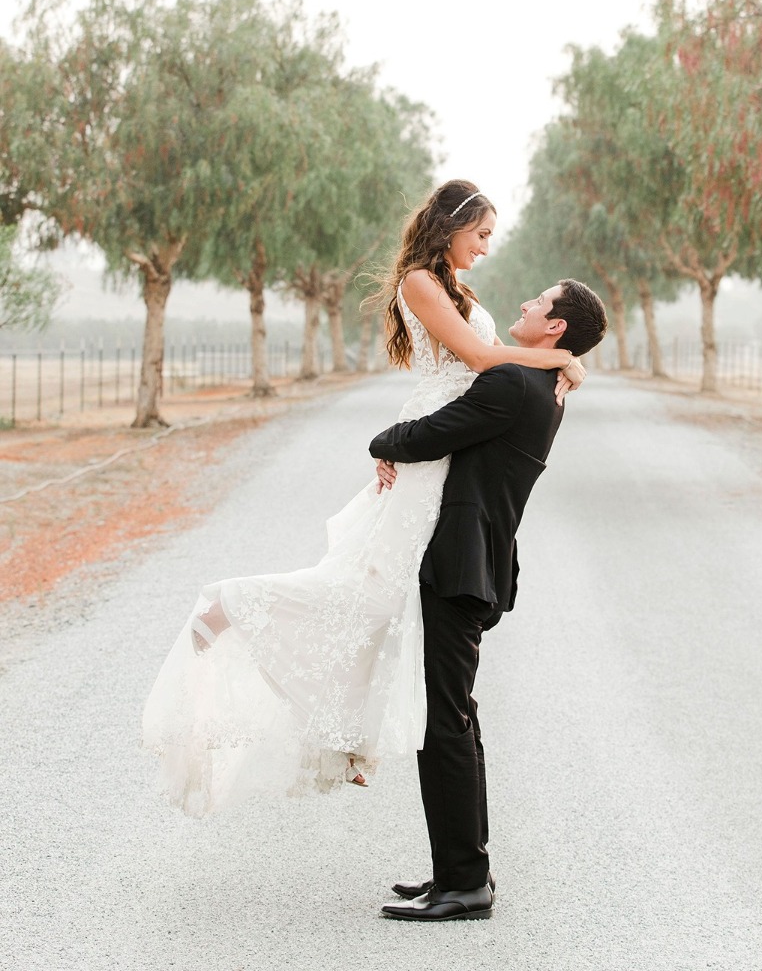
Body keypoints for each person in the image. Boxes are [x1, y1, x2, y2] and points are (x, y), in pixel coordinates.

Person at [141, 180, 584, 817]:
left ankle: (347, 735)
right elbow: (483, 357)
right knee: (377, 591)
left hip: (446, 446)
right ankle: (234, 605)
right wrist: (562, 357)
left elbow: (487, 362)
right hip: (430, 442)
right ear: (452, 226)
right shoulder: (419, 284)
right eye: (482, 234)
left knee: (393, 596)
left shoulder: (457, 287)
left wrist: (561, 365)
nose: (488, 247)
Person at [369, 278, 607, 922]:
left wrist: (381, 442)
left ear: (555, 328)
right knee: (454, 717)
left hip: (459, 567)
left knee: (443, 721)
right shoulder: (546, 388)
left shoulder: (513, 384)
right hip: (479, 565)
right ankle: (460, 870)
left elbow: (430, 434)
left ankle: (465, 884)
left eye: (539, 302)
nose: (525, 304)